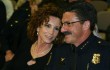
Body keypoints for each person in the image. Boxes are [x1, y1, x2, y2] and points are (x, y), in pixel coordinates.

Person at [3, 3, 64, 70]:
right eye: (48, 26)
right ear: (38, 27)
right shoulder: (26, 43)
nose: (51, 32)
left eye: (56, 28)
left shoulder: (58, 54)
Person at [60, 1, 110, 70]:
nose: (62, 30)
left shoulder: (106, 53)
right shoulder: (59, 50)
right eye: (62, 24)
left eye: (68, 23)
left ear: (85, 25)